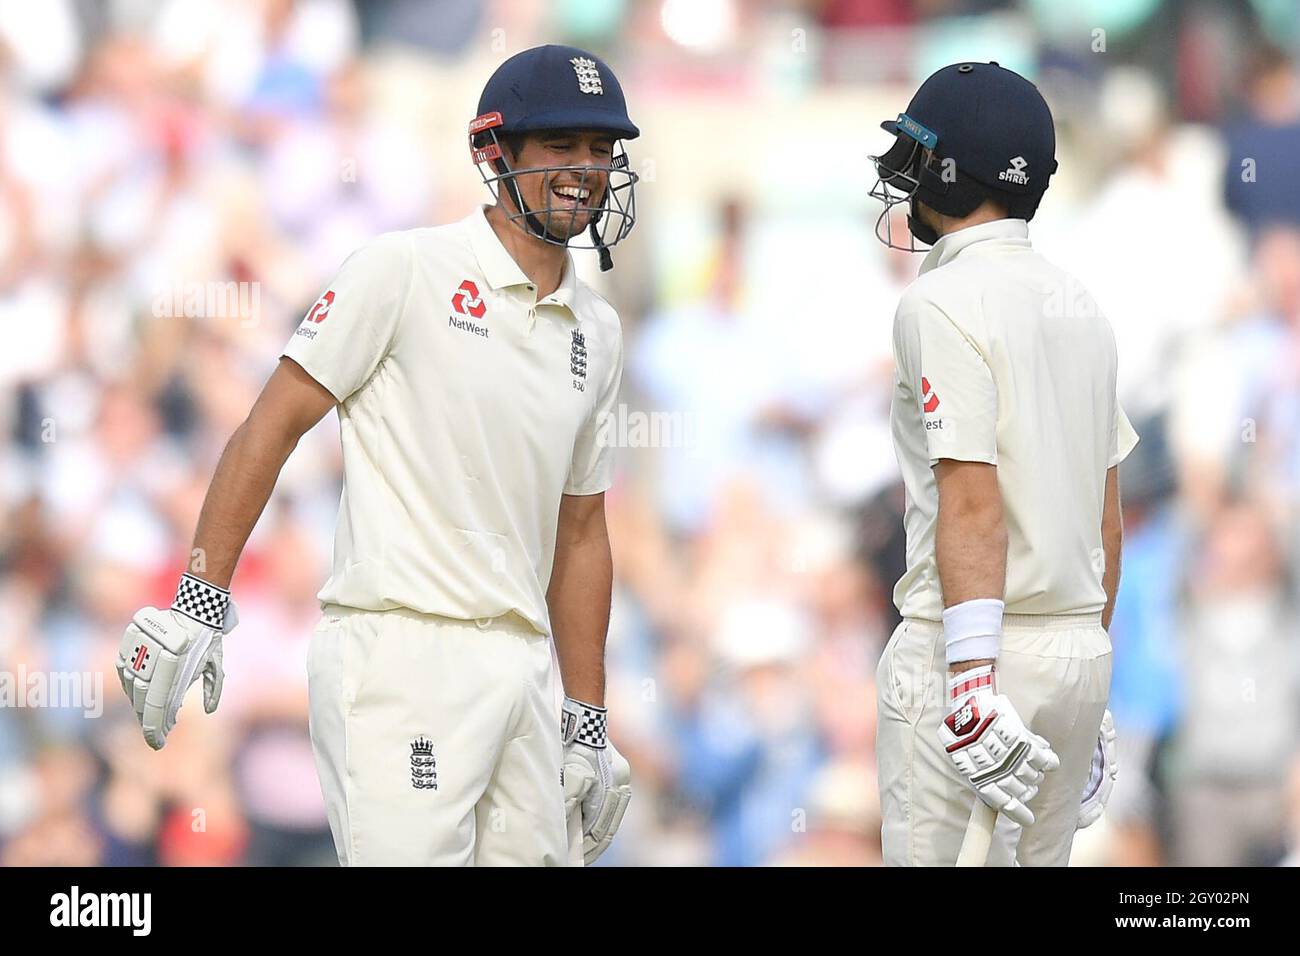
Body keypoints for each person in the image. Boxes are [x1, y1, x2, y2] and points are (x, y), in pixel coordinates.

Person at [115, 44, 638, 867]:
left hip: (524, 667)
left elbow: (581, 531)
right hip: (400, 654)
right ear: (496, 155)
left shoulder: (597, 331)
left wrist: (588, 715)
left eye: (602, 150)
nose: (587, 170)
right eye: (562, 147)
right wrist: (198, 600)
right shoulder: (403, 270)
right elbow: (271, 425)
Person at [867, 61, 1136, 866]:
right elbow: (1105, 516)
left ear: (954, 171)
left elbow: (972, 501)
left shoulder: (939, 301)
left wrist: (974, 684)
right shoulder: (1081, 303)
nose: (903, 176)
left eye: (919, 155)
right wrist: (1091, 677)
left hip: (973, 651)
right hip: (1075, 651)